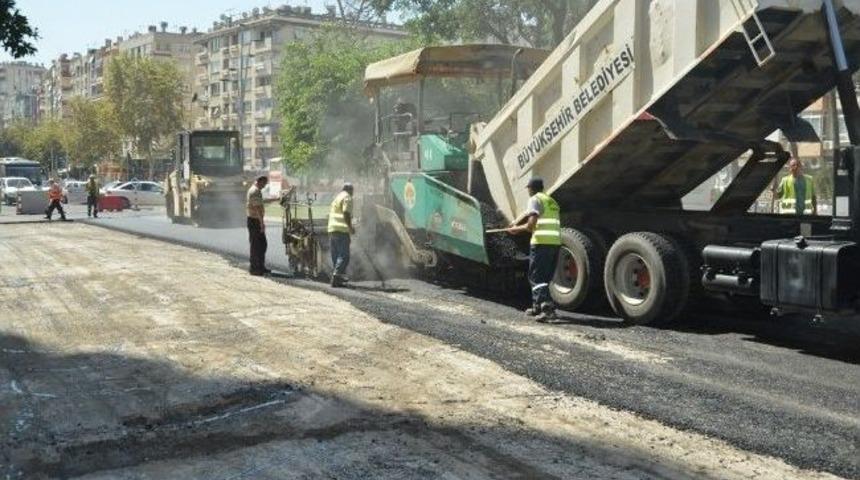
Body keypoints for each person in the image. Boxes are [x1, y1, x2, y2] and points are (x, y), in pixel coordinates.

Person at [507, 177, 561, 322]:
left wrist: (515, 229)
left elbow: (530, 225)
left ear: (531, 188)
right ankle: (537, 306)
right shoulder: (551, 201)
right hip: (555, 243)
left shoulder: (534, 200)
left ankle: (547, 310)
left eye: (528, 189)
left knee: (536, 277)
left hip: (541, 243)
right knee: (544, 276)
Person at [328, 183, 355, 287]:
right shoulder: (347, 197)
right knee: (344, 256)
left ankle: (337, 278)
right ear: (350, 190)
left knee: (336, 255)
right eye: (352, 191)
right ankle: (336, 275)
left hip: (332, 229)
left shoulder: (337, 197)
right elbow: (346, 213)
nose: (353, 193)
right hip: (341, 230)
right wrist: (350, 227)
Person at [246, 176, 272, 276]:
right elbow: (257, 208)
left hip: (255, 220)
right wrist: (262, 223)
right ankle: (255, 269)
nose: (264, 186)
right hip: (254, 220)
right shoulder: (254, 191)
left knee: (262, 245)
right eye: (264, 184)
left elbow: (261, 202)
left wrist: (276, 199)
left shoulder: (256, 191)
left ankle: (260, 267)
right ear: (259, 181)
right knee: (256, 246)